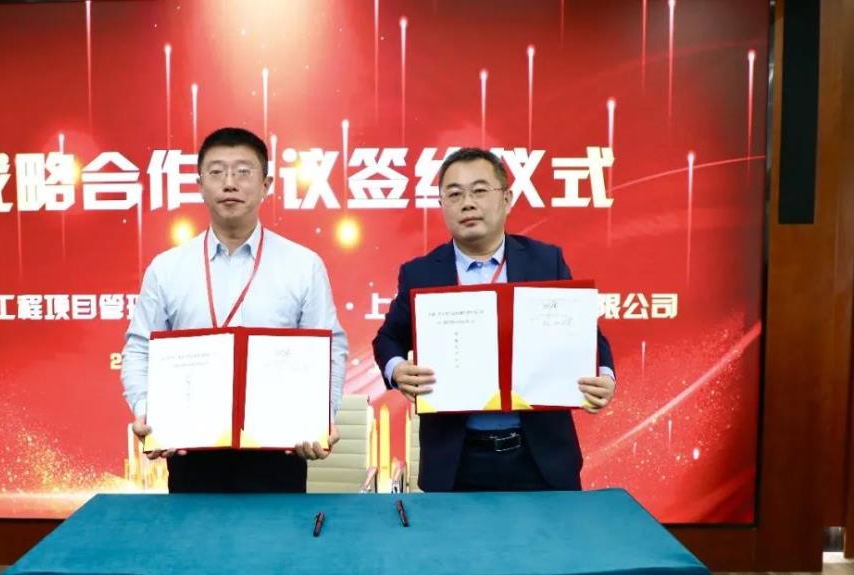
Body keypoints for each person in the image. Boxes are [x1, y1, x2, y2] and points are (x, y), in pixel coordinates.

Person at [372, 147, 615, 492]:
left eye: (480, 190)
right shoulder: (421, 273)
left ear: (507, 199)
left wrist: (604, 375)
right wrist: (397, 370)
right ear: (441, 205)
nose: (467, 203)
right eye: (454, 194)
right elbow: (387, 339)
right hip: (457, 460)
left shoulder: (545, 262)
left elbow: (587, 334)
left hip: (540, 456)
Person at [122, 127, 348, 493]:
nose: (229, 183)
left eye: (243, 171)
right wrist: (148, 411)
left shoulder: (303, 265)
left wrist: (321, 417)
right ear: (200, 185)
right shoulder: (167, 268)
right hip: (190, 449)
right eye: (216, 172)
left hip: (280, 450)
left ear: (266, 184)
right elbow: (138, 349)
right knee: (194, 531)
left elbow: (329, 349)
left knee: (277, 532)